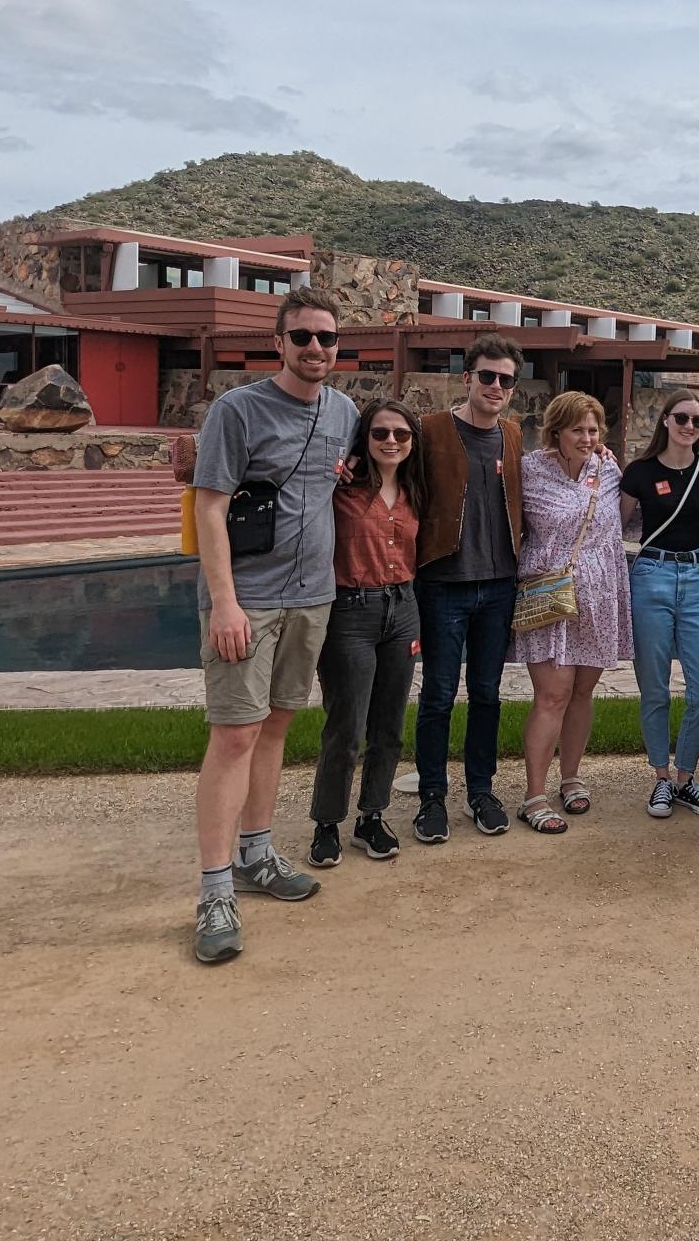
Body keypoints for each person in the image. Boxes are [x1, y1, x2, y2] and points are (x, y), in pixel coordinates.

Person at [187, 286, 358, 964]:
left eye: (327, 338)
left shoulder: (342, 412)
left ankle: (257, 853)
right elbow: (208, 508)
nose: (317, 348)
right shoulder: (238, 410)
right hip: (247, 600)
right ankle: (213, 890)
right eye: (304, 337)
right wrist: (224, 601)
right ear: (279, 342)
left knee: (277, 725)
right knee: (233, 735)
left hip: (313, 596)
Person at [411, 333, 527, 844]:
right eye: (487, 376)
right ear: (467, 378)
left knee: (486, 695)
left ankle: (481, 790)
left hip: (500, 585)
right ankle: (432, 797)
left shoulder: (515, 435)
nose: (496, 386)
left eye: (506, 379)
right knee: (438, 696)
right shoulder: (430, 430)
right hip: (444, 584)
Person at [307, 398, 424, 868]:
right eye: (380, 433)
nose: (391, 441)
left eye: (401, 433)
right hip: (350, 611)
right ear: (365, 438)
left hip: (404, 608)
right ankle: (327, 822)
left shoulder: (417, 490)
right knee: (346, 726)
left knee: (390, 726)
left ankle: (371, 816)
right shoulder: (341, 489)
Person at [508, 392, 631, 833]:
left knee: (581, 694)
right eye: (577, 429)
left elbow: (627, 521)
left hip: (599, 599)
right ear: (556, 431)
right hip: (550, 600)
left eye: (593, 429)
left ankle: (571, 777)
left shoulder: (609, 470)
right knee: (552, 696)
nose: (587, 437)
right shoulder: (530, 470)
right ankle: (534, 795)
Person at [620, 392, 699, 819]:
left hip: (696, 574)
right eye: (681, 417)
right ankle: (662, 778)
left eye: (697, 421)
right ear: (665, 420)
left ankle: (686, 775)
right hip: (651, 574)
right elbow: (615, 526)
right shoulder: (640, 472)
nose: (689, 426)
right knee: (655, 685)